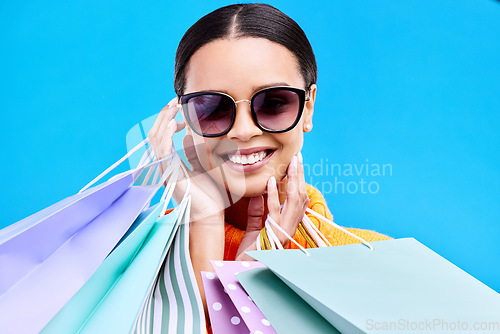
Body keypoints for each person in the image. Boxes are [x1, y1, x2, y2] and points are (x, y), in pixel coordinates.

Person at [147, 2, 390, 324]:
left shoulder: (374, 263)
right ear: (184, 116)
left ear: (308, 108)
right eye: (213, 107)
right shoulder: (126, 264)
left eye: (274, 103)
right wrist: (204, 229)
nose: (244, 130)